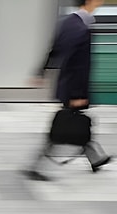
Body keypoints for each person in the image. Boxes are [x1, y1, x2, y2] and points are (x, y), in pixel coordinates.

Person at [25, 0, 111, 181]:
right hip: (75, 88)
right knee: (63, 128)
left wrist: (41, 71)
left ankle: (97, 159)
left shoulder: (70, 22)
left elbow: (54, 49)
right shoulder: (81, 28)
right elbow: (78, 65)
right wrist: (78, 94)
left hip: (69, 85)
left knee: (75, 125)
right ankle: (41, 168)